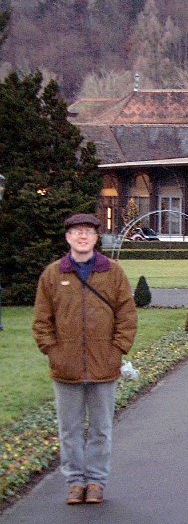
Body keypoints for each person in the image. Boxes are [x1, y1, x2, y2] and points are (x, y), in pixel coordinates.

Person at [32, 213, 137, 505]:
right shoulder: (53, 274)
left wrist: (117, 349)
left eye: (88, 232)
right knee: (70, 430)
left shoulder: (112, 272)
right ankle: (75, 482)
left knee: (101, 429)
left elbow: (127, 315)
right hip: (65, 367)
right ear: (68, 237)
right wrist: (54, 352)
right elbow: (41, 321)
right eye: (77, 232)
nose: (82, 237)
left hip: (104, 365)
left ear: (95, 237)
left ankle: (96, 482)